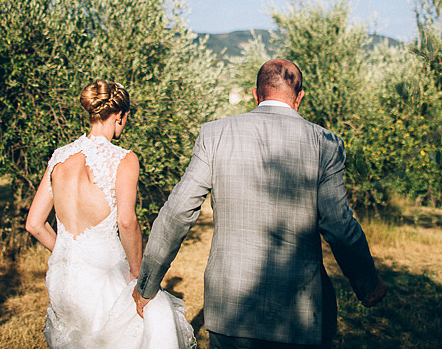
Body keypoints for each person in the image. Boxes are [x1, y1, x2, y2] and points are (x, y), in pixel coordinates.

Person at [133, 59, 387, 348]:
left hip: (231, 310)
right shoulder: (325, 143)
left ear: (256, 94)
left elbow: (178, 211)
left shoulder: (215, 134)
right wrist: (367, 283)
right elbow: (339, 225)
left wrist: (147, 284)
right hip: (301, 314)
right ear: (299, 97)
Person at [26, 80, 195, 349]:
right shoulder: (123, 158)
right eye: (126, 119)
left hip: (63, 277)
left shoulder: (59, 157)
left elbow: (34, 224)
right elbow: (127, 221)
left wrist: (67, 252)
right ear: (119, 116)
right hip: (105, 275)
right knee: (155, 320)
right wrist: (139, 276)